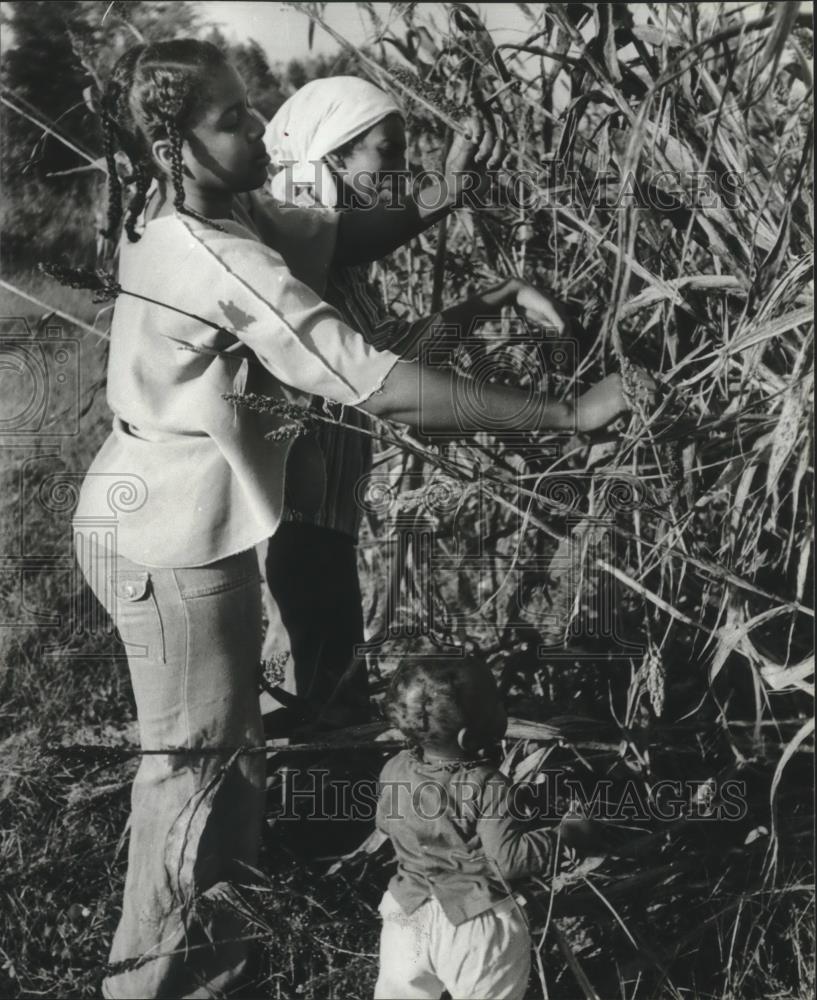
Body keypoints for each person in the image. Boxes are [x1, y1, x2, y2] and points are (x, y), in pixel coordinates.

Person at [73, 39, 629, 999]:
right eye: (232, 119)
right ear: (176, 145)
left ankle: (222, 967)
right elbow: (374, 381)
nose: (258, 124)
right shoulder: (215, 255)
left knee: (225, 769)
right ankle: (152, 983)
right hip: (168, 539)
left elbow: (336, 240)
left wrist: (443, 197)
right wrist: (566, 414)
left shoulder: (213, 208)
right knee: (196, 781)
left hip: (177, 519)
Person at [263, 77, 572, 726]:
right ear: (330, 157)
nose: (401, 171)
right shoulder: (280, 236)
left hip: (325, 517)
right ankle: (309, 811)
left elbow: (393, 357)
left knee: (330, 686)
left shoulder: (334, 269)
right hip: (286, 520)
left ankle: (327, 806)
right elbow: (359, 248)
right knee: (301, 689)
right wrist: (449, 189)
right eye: (387, 151)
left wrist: (500, 297)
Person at [375, 659, 593, 1000]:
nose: (503, 707)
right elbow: (507, 859)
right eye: (496, 703)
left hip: (407, 916)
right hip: (476, 925)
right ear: (469, 736)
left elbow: (385, 823)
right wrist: (564, 836)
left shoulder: (393, 769)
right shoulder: (488, 784)